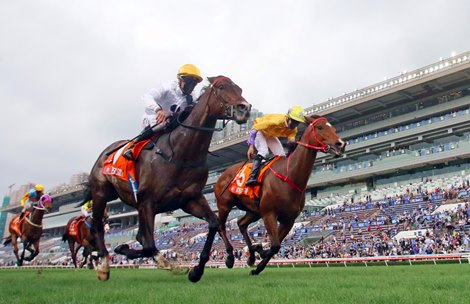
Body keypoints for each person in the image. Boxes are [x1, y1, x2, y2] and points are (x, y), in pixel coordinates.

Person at [123, 64, 203, 160]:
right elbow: (147, 97)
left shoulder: (192, 97)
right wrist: (158, 110)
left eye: (194, 83)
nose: (191, 86)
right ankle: (132, 147)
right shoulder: (167, 87)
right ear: (180, 79)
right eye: (189, 82)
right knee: (163, 122)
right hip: (153, 116)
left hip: (171, 121)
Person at [245, 106, 306, 186]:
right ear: (288, 117)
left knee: (282, 155)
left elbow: (291, 143)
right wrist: (251, 146)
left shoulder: (294, 130)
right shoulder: (276, 121)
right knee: (264, 151)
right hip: (259, 131)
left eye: (297, 122)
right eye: (294, 121)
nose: (295, 125)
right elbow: (255, 128)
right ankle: (252, 177)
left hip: (270, 135)